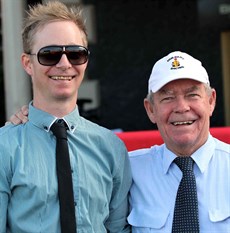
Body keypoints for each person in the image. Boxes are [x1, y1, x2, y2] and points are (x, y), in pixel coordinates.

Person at [0, 1, 132, 233]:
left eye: (75, 54)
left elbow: (119, 229)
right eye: (49, 55)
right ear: (27, 63)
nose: (64, 64)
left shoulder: (111, 148)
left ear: (85, 61)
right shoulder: (5, 147)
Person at [127, 51, 230, 232]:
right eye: (168, 98)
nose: (182, 107)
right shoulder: (127, 171)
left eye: (192, 95)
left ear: (211, 101)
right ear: (151, 109)